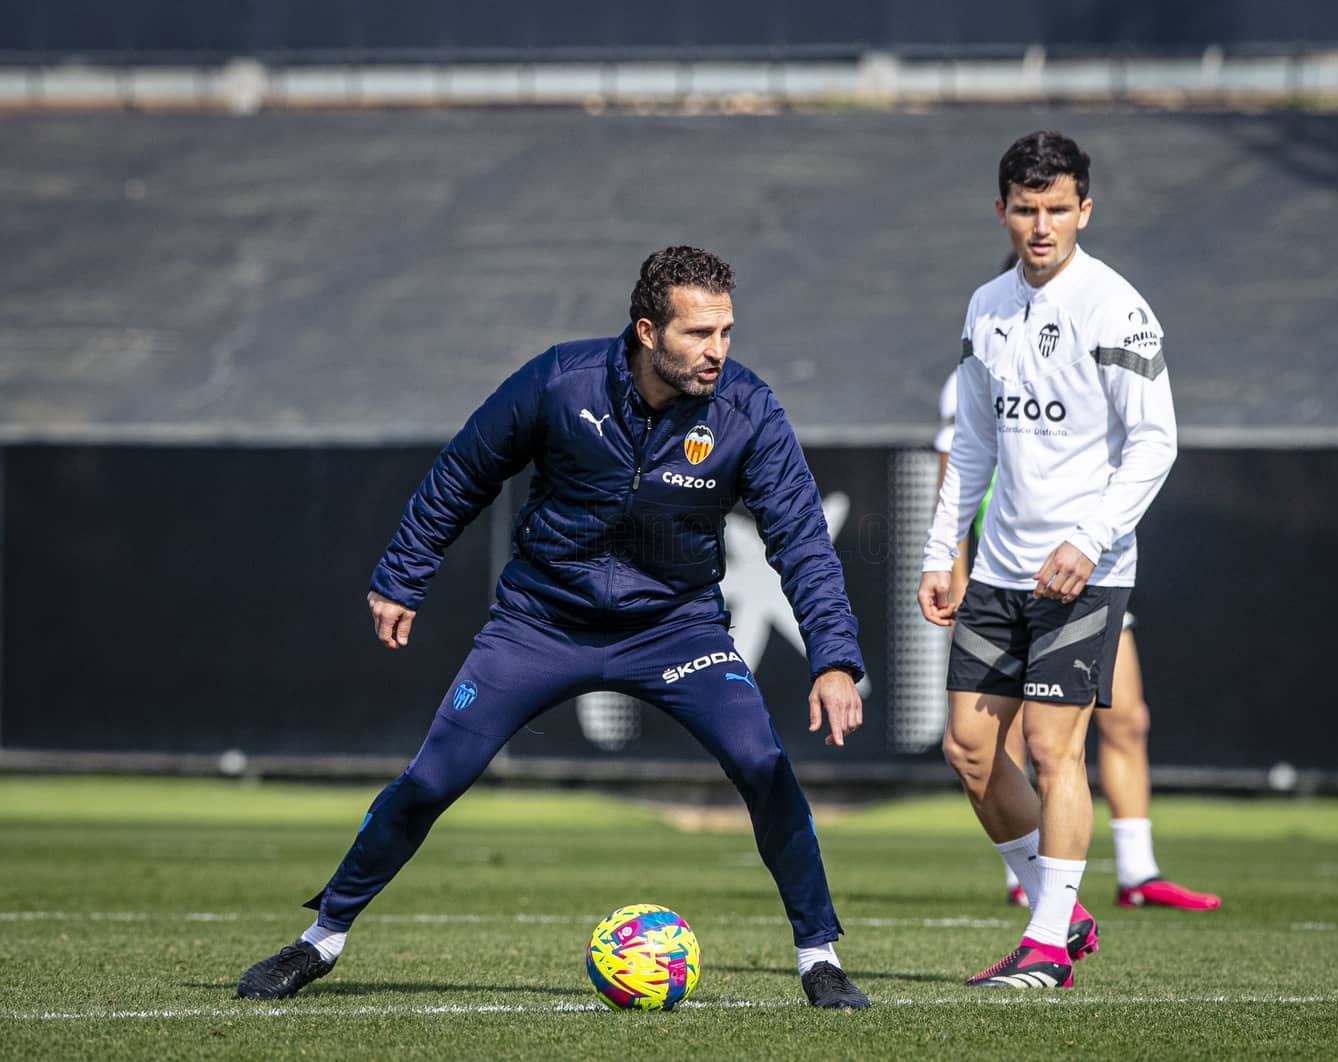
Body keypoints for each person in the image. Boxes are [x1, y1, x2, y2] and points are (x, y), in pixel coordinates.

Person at [236, 246, 872, 1010]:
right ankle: (320, 940)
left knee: (765, 766)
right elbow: (462, 472)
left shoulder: (746, 410)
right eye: (698, 334)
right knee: (433, 778)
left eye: (726, 332)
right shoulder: (558, 381)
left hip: (677, 632)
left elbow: (802, 539)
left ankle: (818, 959)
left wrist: (833, 658)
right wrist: (403, 575)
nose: (718, 351)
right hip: (539, 624)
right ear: (646, 330)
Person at [918, 131, 1178, 989]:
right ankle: (1061, 909)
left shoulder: (1116, 306)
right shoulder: (984, 305)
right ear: (1002, 212)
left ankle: (1046, 946)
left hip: (1085, 571)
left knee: (1050, 746)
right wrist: (940, 551)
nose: (1041, 225)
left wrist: (1088, 540)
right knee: (968, 752)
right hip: (997, 571)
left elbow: (1155, 442)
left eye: (1057, 209)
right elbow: (974, 442)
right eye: (1026, 209)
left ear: (1084, 211)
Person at [937, 367, 1221, 913]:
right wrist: (953, 571)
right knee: (1013, 738)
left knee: (1126, 719)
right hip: (1010, 574)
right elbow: (955, 470)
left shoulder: (1094, 345)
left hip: (1087, 568)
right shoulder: (982, 356)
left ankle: (1137, 871)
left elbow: (1147, 444)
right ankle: (1033, 879)